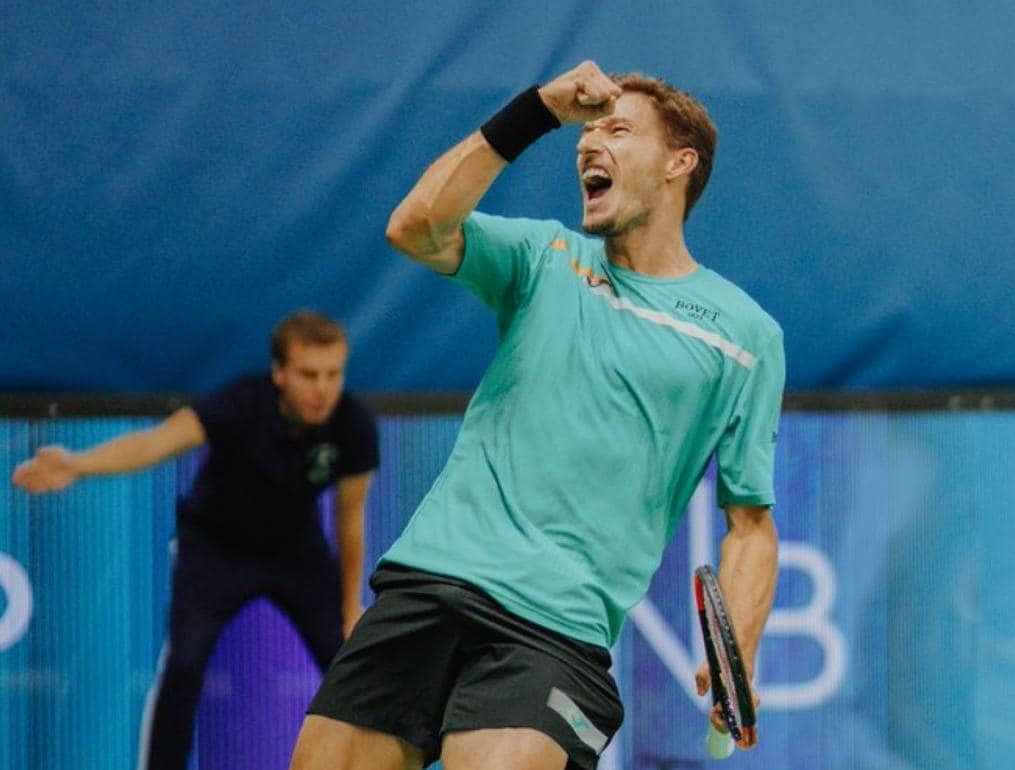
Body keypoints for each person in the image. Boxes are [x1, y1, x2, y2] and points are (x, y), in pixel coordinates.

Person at [290, 60, 783, 770]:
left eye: (618, 130)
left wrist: (740, 647)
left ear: (680, 163)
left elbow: (750, 521)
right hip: (427, 583)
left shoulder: (744, 335)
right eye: (585, 134)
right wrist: (538, 112)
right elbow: (415, 227)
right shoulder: (543, 256)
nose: (589, 144)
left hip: (554, 629)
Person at [11, 310, 379, 770]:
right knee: (183, 668)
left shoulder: (353, 424)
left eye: (333, 374)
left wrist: (349, 607)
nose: (322, 389)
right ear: (280, 373)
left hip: (296, 556)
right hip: (214, 551)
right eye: (309, 374)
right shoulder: (239, 404)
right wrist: (78, 464)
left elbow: (350, 519)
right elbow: (156, 443)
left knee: (354, 669)